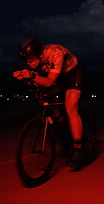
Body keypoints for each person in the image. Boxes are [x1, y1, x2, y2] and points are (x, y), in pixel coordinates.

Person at [13, 38, 84, 170]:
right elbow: (35, 82)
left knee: (70, 107)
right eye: (26, 60)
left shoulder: (55, 53)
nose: (29, 63)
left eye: (31, 60)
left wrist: (32, 76)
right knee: (46, 103)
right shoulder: (33, 60)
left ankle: (78, 150)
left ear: (40, 55)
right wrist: (25, 78)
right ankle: (64, 132)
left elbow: (50, 82)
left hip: (71, 73)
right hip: (55, 75)